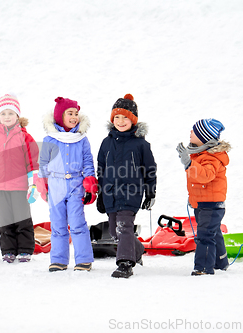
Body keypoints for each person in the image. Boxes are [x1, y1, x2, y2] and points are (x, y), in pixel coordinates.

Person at [96, 94, 157, 278]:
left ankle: (125, 264)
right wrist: (100, 192)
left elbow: (150, 170)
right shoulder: (106, 143)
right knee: (115, 231)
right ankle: (136, 250)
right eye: (117, 117)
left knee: (124, 227)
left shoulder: (141, 145)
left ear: (133, 120)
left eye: (125, 117)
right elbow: (101, 168)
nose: (121, 121)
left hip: (131, 193)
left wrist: (150, 193)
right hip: (110, 193)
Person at [36, 97, 98, 272]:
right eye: (70, 113)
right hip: (56, 186)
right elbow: (43, 164)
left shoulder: (81, 139)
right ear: (59, 116)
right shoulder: (50, 139)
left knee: (78, 222)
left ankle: (84, 259)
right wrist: (42, 185)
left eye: (76, 114)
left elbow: (87, 162)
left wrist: (90, 183)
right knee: (57, 224)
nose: (74, 117)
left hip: (75, 186)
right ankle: (59, 259)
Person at [0, 94, 39, 263]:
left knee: (22, 217)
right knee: (4, 219)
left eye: (11, 113)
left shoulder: (25, 137)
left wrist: (34, 184)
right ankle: (8, 250)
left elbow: (33, 163)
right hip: (0, 187)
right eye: (3, 113)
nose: (7, 117)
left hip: (19, 186)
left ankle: (25, 250)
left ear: (18, 116)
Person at [176, 118, 231, 275]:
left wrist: (188, 163)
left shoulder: (211, 157)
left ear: (204, 137)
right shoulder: (199, 155)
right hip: (204, 204)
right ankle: (221, 261)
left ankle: (203, 268)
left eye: (194, 131)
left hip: (211, 205)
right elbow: (199, 183)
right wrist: (194, 197)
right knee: (213, 233)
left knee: (205, 236)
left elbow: (205, 176)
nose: (190, 132)